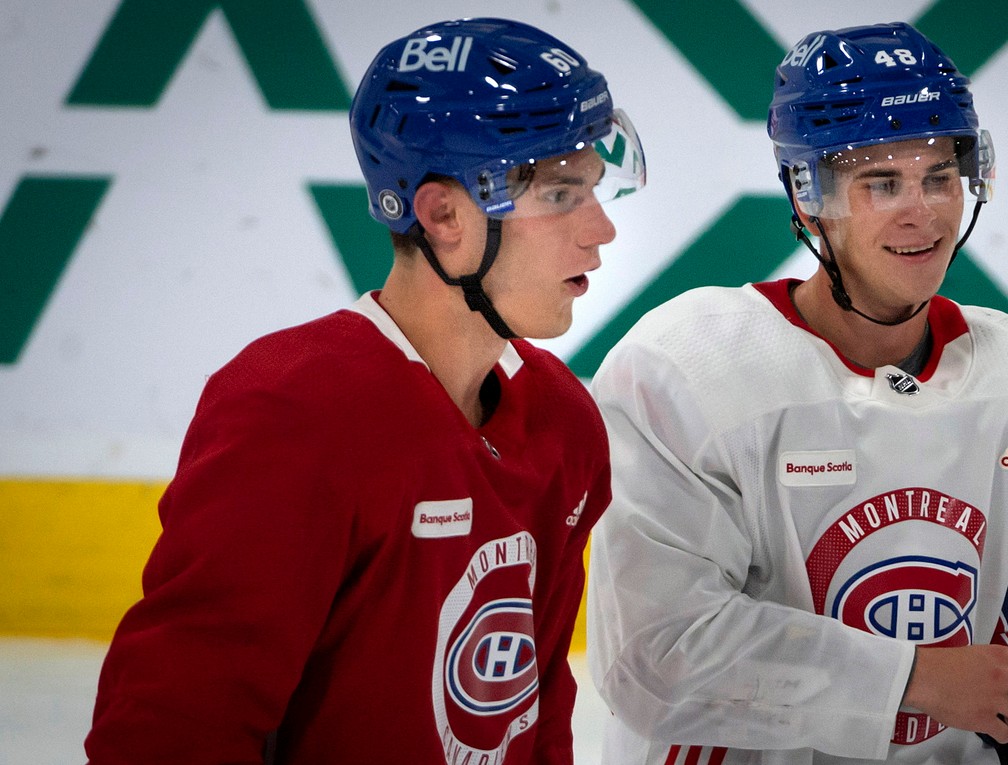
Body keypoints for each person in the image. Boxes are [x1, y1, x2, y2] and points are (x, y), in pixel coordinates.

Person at [585, 20, 1008, 764]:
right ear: (808, 195)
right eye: (882, 182)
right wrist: (916, 677)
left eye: (940, 176)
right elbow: (656, 658)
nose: (924, 212)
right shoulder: (684, 370)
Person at [85, 17, 644, 764]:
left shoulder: (565, 422)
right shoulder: (293, 410)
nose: (601, 229)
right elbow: (171, 728)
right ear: (443, 214)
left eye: (595, 189)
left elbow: (532, 712)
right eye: (559, 193)